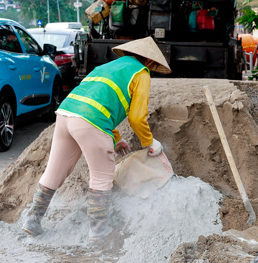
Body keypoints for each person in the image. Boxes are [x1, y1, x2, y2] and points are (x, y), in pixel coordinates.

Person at [19, 37, 170, 239]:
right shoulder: (141, 73)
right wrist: (149, 143)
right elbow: (136, 117)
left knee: (54, 171)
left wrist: (116, 139)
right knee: (102, 176)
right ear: (150, 61)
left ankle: (32, 220)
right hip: (91, 123)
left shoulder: (108, 67)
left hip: (65, 115)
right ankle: (99, 232)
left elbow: (97, 102)